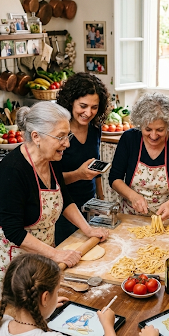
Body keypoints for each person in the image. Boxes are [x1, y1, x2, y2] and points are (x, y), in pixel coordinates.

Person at [0, 102, 108, 302]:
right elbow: (13, 231)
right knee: (20, 314)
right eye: (60, 137)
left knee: (43, 305)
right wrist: (56, 254)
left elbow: (65, 199)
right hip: (15, 257)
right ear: (36, 137)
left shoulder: (51, 160)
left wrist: (87, 230)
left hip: (44, 250)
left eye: (67, 136)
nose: (67, 144)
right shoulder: (13, 170)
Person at [109, 92, 169, 220]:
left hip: (168, 218)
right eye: (148, 129)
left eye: (160, 130)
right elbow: (115, 178)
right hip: (131, 216)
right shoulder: (129, 139)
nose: (153, 136)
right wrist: (133, 197)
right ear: (139, 124)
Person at [55, 73, 109, 244]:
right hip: (62, 208)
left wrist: (100, 199)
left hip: (89, 204)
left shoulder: (95, 127)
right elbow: (49, 180)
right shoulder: (58, 130)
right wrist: (78, 174)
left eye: (94, 107)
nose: (88, 113)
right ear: (71, 101)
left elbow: (96, 164)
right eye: (83, 106)